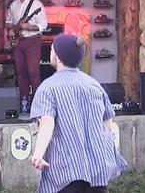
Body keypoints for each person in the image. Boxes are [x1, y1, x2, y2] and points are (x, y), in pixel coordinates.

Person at [29, 33, 127, 193]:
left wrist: (38, 154)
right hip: (98, 170)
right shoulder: (95, 85)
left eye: (52, 50)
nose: (50, 53)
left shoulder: (48, 87)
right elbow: (108, 126)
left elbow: (47, 122)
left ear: (59, 57)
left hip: (65, 172)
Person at [6, 0, 48, 114]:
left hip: (32, 41)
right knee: (21, 73)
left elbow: (44, 24)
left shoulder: (36, 4)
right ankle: (24, 102)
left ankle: (38, 103)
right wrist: (11, 29)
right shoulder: (13, 5)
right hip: (18, 42)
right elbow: (8, 21)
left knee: (33, 72)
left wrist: (30, 27)